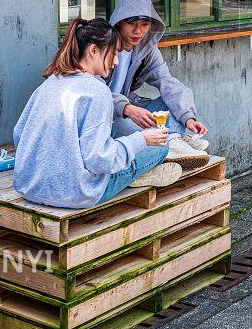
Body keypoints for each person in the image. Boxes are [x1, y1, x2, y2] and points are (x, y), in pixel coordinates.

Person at [13, 18, 180, 209]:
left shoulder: (50, 83)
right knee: (161, 148)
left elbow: (19, 134)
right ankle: (136, 176)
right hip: (76, 193)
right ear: (93, 51)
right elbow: (99, 160)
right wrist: (142, 139)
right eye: (114, 53)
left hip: (30, 188)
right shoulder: (98, 91)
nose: (116, 62)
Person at [107, 0, 210, 167]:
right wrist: (127, 108)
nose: (138, 31)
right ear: (119, 22)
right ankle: (171, 142)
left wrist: (188, 118)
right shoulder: (102, 46)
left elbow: (166, 81)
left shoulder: (146, 49)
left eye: (144, 24)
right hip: (107, 115)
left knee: (172, 101)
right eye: (132, 23)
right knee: (126, 126)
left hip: (130, 108)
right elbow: (93, 94)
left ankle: (174, 140)